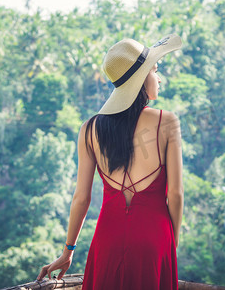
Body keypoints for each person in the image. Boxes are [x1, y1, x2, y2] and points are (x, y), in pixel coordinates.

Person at [37, 34, 184, 290]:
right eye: (155, 71)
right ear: (140, 79)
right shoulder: (167, 122)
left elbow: (81, 198)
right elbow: (176, 194)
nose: (159, 78)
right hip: (155, 239)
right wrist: (173, 244)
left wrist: (68, 251)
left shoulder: (89, 129)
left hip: (107, 240)